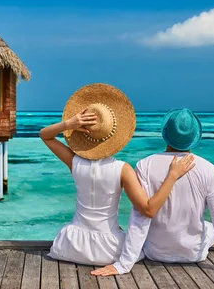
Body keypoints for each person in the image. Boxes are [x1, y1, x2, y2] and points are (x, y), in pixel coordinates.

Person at [92, 108, 214, 278]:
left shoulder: (145, 165)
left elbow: (139, 218)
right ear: (195, 137)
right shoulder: (208, 169)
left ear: (165, 134)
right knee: (212, 225)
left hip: (155, 251)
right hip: (194, 254)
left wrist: (124, 264)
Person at [40, 84, 195, 266]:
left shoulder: (74, 163)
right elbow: (148, 209)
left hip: (70, 246)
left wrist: (68, 124)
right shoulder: (122, 169)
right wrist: (172, 176)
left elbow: (45, 135)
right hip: (108, 250)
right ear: (114, 135)